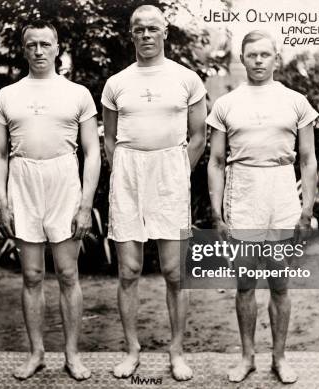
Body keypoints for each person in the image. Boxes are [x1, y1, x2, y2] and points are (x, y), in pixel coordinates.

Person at [0, 19, 101, 381]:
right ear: (24, 50)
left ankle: (72, 354)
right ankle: (36, 353)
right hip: (23, 182)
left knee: (68, 273)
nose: (39, 50)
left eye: (45, 44)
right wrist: (1, 201)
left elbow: (91, 152)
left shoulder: (78, 93)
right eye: (32, 45)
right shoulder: (8, 95)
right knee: (32, 275)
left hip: (64, 181)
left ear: (57, 48)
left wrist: (85, 204)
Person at [102, 5, 207, 381]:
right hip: (129, 172)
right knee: (128, 270)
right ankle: (132, 350)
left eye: (152, 29)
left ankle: (176, 351)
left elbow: (198, 137)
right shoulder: (117, 82)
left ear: (165, 33)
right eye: (138, 30)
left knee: (175, 271)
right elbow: (110, 140)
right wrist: (125, 173)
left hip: (170, 173)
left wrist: (178, 172)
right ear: (131, 35)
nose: (146, 35)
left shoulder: (187, 79)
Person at [206, 30, 318, 384]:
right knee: (245, 283)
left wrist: (306, 209)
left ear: (275, 58)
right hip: (243, 192)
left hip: (282, 191)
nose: (258, 60)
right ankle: (247, 357)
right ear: (242, 57)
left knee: (280, 282)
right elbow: (216, 161)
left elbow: (308, 159)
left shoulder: (295, 100)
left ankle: (280, 357)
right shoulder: (226, 104)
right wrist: (216, 213)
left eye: (265, 54)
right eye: (251, 54)